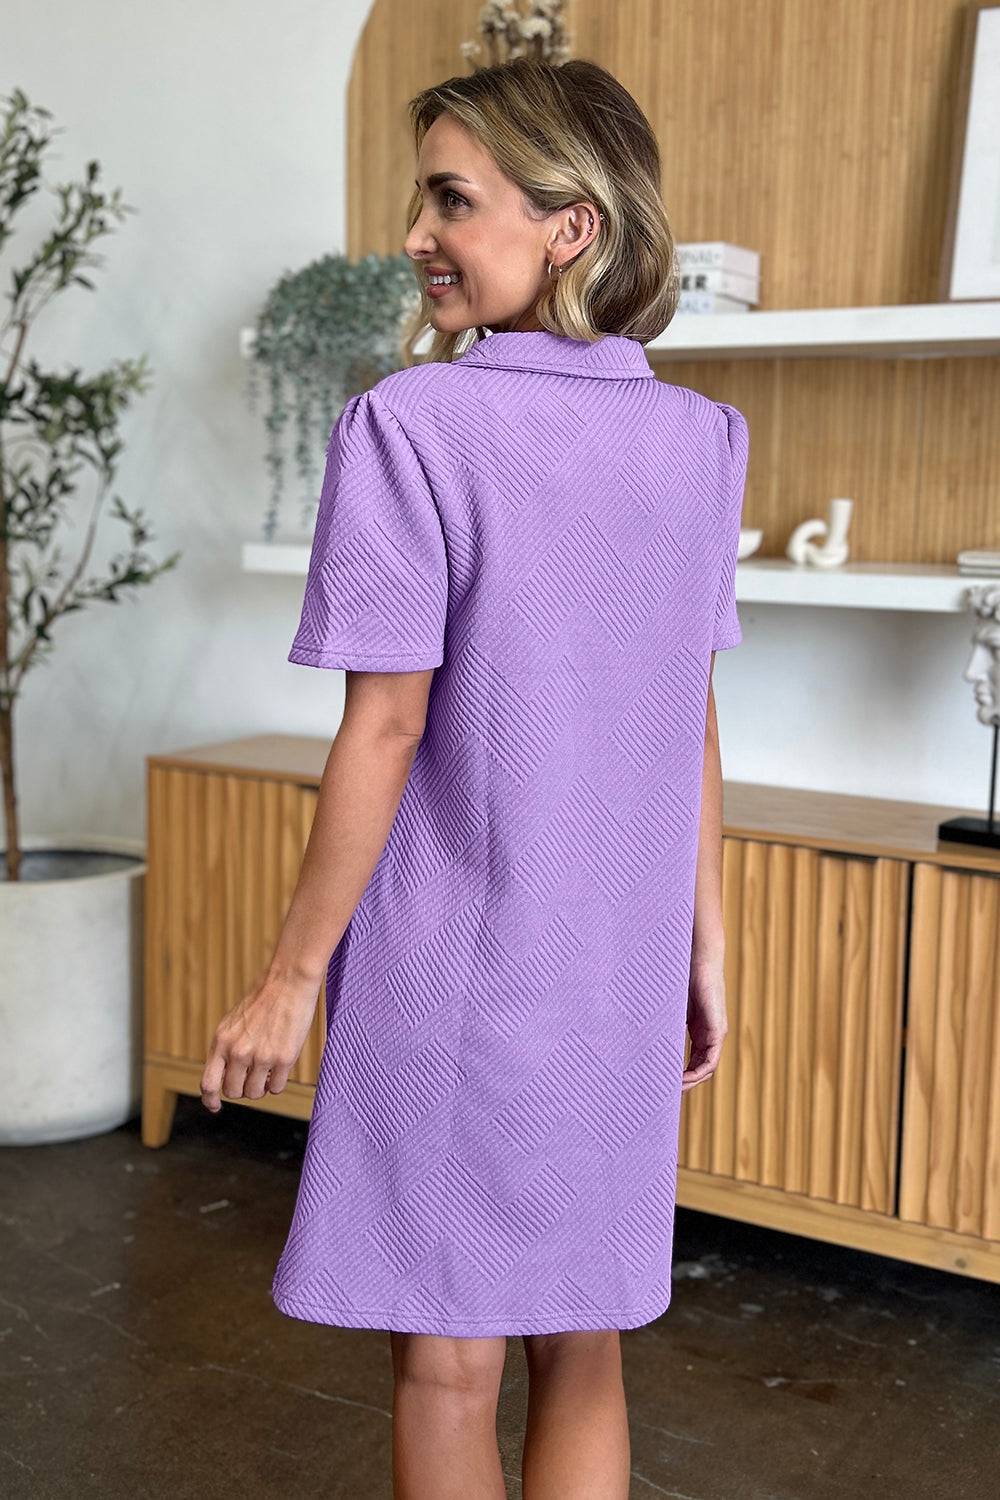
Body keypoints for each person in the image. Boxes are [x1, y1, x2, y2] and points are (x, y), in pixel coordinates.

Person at [201, 55, 749, 1500]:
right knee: (586, 1344)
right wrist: (708, 939)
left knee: (448, 1361)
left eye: (453, 197)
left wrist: (291, 977)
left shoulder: (413, 426)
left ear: (570, 226)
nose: (418, 233)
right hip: (617, 972)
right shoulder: (703, 442)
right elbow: (688, 711)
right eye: (421, 196)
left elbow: (385, 732)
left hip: (457, 973)